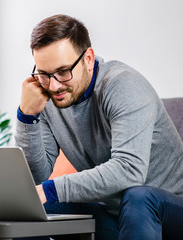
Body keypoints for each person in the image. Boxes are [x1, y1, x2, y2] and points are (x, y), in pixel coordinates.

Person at [15, 14, 183, 240]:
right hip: (114, 213)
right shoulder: (48, 96)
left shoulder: (123, 85)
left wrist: (51, 189)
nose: (54, 86)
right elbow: (36, 179)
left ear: (88, 58)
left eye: (64, 71)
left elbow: (130, 170)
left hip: (167, 209)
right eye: (44, 74)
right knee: (26, 212)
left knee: (139, 197)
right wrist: (27, 117)